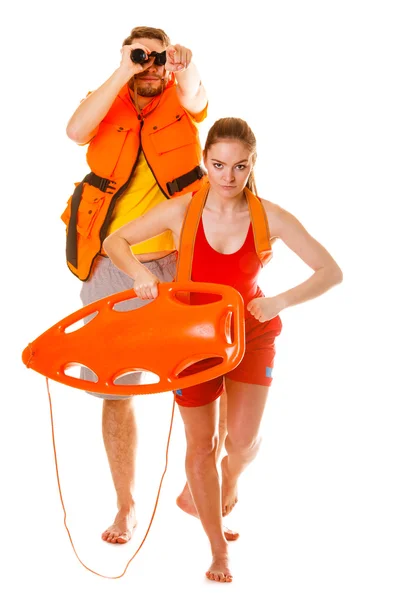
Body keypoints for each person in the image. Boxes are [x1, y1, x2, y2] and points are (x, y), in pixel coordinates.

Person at [103, 117, 343, 582]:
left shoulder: (270, 215)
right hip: (192, 338)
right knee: (202, 444)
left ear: (253, 164)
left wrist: (279, 300)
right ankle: (218, 550)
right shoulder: (182, 210)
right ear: (205, 162)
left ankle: (228, 479)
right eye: (218, 165)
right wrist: (140, 274)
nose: (228, 177)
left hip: (251, 330)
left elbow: (330, 272)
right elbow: (117, 240)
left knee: (241, 442)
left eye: (239, 166)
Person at [62, 26, 209, 545]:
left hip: (179, 261)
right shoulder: (106, 98)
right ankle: (125, 507)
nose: (150, 67)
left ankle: (208, 494)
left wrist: (182, 65)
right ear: (125, 57)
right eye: (139, 57)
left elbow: (196, 94)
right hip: (111, 265)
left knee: (201, 386)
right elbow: (77, 131)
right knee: (114, 389)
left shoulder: (180, 95)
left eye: (156, 58)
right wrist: (125, 69)